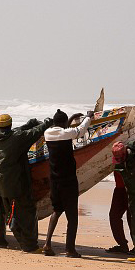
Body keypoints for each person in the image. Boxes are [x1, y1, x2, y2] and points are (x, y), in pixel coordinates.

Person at [0, 113, 53, 253]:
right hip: (17, 183)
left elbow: (19, 131)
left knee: (12, 214)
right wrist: (48, 122)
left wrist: (30, 122)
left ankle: (23, 243)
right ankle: (29, 246)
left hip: (3, 182)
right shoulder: (16, 138)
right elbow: (35, 132)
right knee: (27, 213)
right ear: (10, 123)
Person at [41, 110, 92, 258]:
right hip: (68, 181)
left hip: (54, 180)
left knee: (56, 210)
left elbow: (64, 131)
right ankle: (70, 249)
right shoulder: (65, 134)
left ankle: (47, 243)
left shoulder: (48, 133)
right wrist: (88, 117)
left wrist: (70, 119)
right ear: (63, 124)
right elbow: (80, 131)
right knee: (72, 216)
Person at [105, 170, 134, 255]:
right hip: (119, 187)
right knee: (114, 216)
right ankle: (123, 245)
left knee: (132, 217)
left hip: (132, 187)